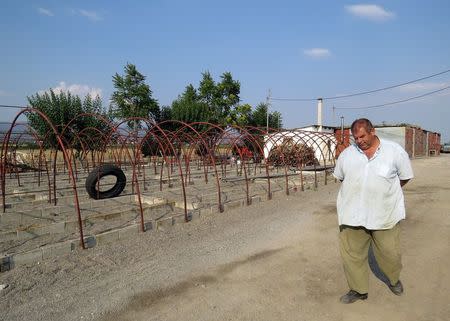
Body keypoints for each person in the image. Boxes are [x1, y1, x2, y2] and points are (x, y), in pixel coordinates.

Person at [333, 118, 414, 304]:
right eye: (356, 138)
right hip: (352, 214)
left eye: (362, 136)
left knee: (390, 253)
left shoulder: (394, 152)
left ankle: (393, 280)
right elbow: (340, 177)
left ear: (372, 131)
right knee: (352, 254)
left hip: (384, 213)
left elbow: (405, 177)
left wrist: (385, 191)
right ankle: (358, 290)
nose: (359, 141)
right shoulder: (347, 154)